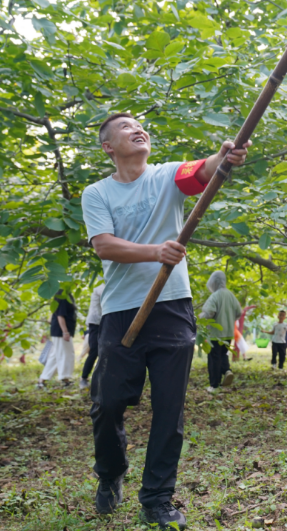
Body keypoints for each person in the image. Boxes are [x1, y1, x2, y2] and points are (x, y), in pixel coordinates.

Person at [81, 112, 250, 529]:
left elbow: (202, 172)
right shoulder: (97, 193)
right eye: (125, 128)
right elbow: (104, 246)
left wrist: (223, 156)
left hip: (173, 307)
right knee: (107, 404)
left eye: (141, 125)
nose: (138, 129)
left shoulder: (167, 175)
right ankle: (110, 472)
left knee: (169, 408)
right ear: (108, 147)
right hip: (121, 312)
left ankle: (156, 498)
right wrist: (156, 251)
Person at [199, 271, 242, 393]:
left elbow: (209, 313)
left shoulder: (215, 296)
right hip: (228, 333)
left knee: (214, 358)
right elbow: (239, 312)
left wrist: (200, 317)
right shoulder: (231, 295)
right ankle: (227, 370)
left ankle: (214, 386)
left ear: (213, 282)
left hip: (215, 335)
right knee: (223, 355)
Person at [37, 291, 77, 389]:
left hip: (60, 331)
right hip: (60, 332)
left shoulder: (65, 294)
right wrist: (65, 331)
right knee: (66, 354)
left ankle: (42, 380)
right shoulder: (62, 294)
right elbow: (60, 315)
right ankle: (65, 378)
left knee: (55, 357)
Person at [80, 284, 105, 390]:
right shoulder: (101, 286)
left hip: (105, 322)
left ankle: (102, 378)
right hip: (95, 322)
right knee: (94, 350)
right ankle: (84, 378)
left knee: (105, 350)